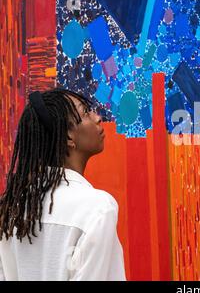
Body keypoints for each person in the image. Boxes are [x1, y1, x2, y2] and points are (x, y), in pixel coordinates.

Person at [0, 89, 126, 281]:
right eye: (85, 113)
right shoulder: (98, 209)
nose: (97, 118)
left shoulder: (10, 211)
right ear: (68, 138)